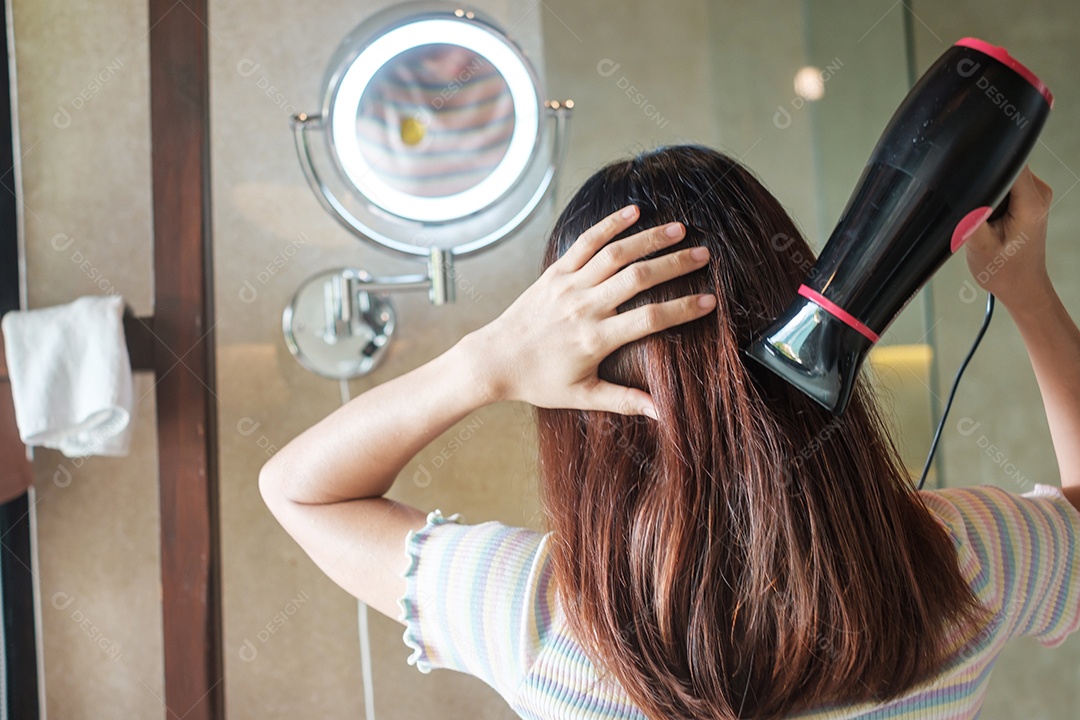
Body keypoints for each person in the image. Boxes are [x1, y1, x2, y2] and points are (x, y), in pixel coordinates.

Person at [260, 145, 1080, 719]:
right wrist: (1027, 290)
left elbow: (300, 491)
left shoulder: (542, 620)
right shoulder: (963, 563)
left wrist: (487, 363)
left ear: (580, 400)